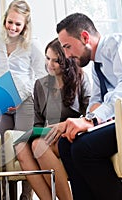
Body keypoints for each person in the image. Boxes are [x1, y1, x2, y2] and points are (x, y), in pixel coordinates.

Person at [54, 13, 122, 200]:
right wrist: (85, 119)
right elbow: (96, 100)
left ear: (84, 37)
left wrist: (91, 119)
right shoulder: (97, 66)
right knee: (67, 143)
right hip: (118, 121)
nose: (66, 55)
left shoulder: (118, 44)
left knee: (84, 148)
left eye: (67, 47)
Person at [15, 38, 91, 200]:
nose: (50, 64)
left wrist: (63, 126)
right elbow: (38, 122)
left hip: (72, 134)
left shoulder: (81, 80)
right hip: (51, 134)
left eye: (56, 60)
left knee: (38, 145)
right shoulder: (39, 85)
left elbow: (89, 116)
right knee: (21, 147)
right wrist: (39, 131)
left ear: (66, 61)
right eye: (47, 58)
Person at [0, 0, 46, 199]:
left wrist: (21, 97)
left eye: (18, 24)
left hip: (26, 100)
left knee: (22, 144)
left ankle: (26, 194)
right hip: (2, 97)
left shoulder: (33, 44)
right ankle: (3, 194)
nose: (12, 27)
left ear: (25, 26)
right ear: (5, 20)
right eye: (10, 22)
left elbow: (40, 75)